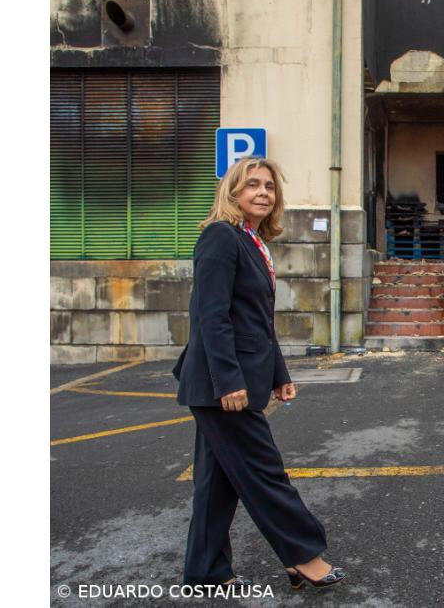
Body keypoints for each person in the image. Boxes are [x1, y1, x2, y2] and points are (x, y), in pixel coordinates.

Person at [172, 156, 346, 590]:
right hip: (221, 385)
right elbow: (210, 317)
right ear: (233, 192)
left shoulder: (251, 241)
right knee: (264, 470)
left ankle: (205, 572)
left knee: (217, 481)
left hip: (236, 377)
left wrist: (277, 373)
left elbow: (256, 322)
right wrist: (228, 380)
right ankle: (302, 555)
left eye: (269, 186)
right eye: (252, 185)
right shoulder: (220, 236)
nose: (263, 192)